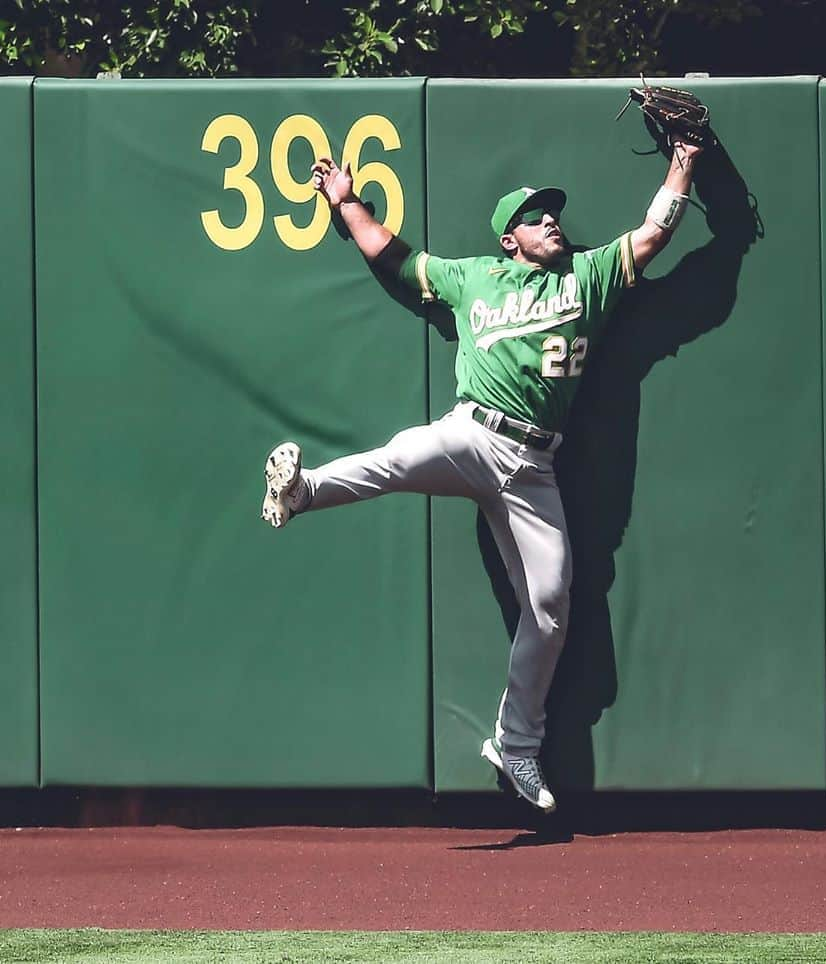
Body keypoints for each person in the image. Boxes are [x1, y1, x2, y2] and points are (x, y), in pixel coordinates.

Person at [261, 139, 702, 812]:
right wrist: (346, 201)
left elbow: (652, 234)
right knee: (398, 459)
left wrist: (684, 162)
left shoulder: (586, 276)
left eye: (552, 213)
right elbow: (395, 256)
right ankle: (303, 491)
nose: (551, 221)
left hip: (535, 466)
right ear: (509, 238)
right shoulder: (473, 278)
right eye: (534, 216)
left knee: (551, 607)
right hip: (474, 432)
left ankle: (516, 745)